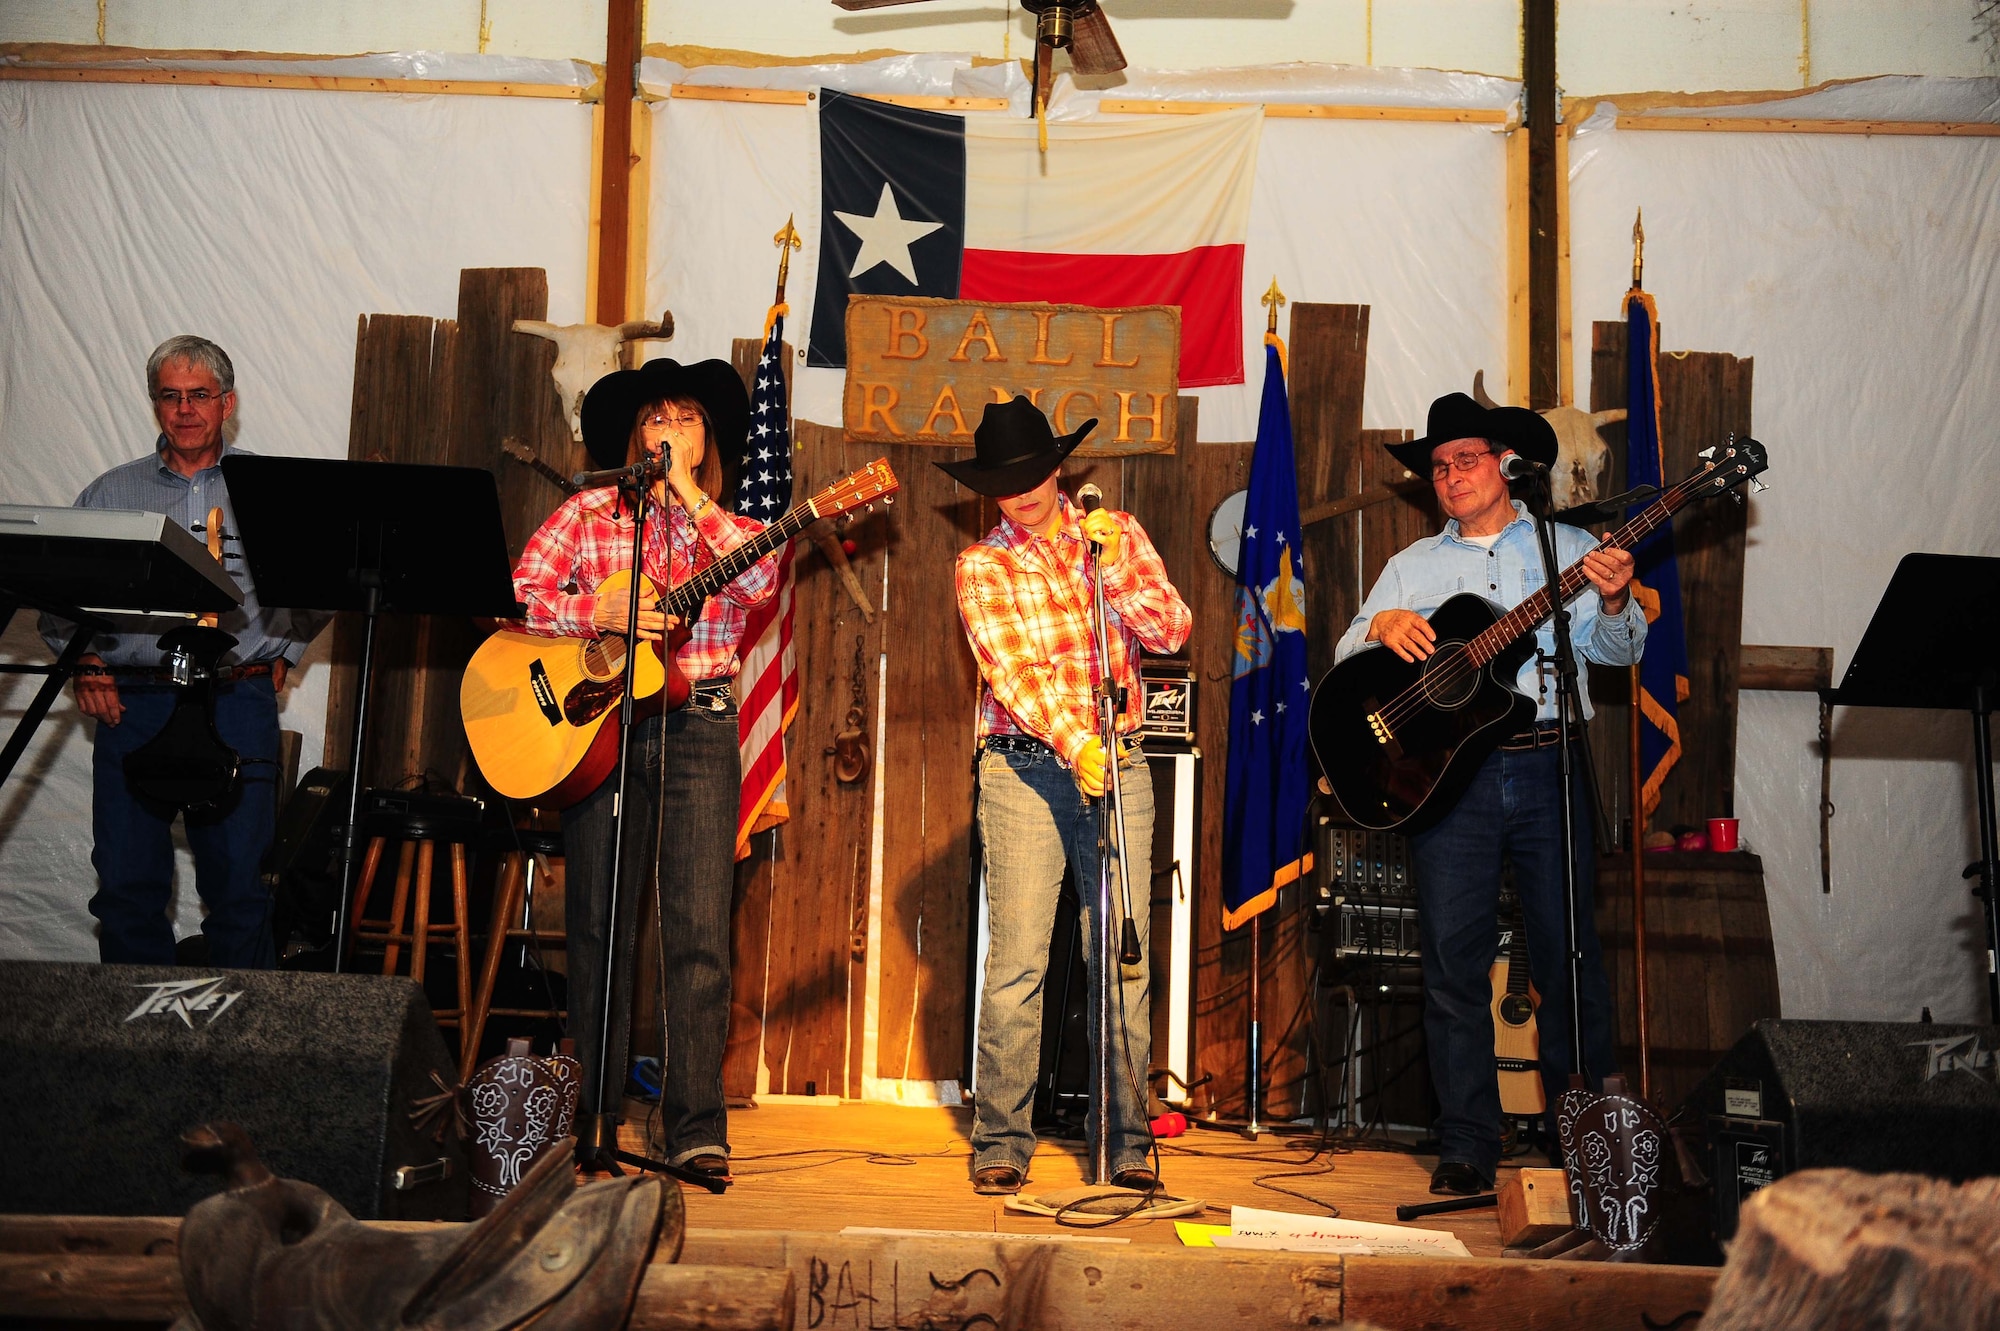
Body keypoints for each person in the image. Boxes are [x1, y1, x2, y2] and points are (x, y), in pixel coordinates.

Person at [1333, 392, 1645, 1196]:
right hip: (1449, 779)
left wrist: (1613, 600)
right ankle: (1469, 1141)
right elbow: (1344, 649)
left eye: (1463, 458)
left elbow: (1615, 652)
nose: (1448, 475)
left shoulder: (1566, 545)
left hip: (1550, 762)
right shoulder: (1413, 566)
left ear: (1507, 464)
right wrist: (1382, 625)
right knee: (1452, 964)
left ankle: (1584, 1138)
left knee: (1570, 953)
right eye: (1438, 466)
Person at [511, 357, 775, 1180]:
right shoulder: (589, 512)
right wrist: (595, 609)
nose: (670, 432)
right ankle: (594, 1113)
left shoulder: (723, 525)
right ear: (635, 434)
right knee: (598, 923)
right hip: (603, 728)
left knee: (699, 930)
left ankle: (694, 1125)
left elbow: (763, 576)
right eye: (657, 419)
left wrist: (692, 498)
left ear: (707, 439)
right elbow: (519, 591)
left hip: (702, 723)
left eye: (687, 419)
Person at [941, 396, 1192, 1196]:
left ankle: (1123, 1138)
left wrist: (1114, 562)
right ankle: (1001, 1138)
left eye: (1029, 472)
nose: (1018, 489)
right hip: (1024, 765)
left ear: (1058, 467)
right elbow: (1013, 672)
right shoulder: (981, 564)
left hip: (1117, 760)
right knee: (1017, 959)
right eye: (1001, 479)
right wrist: (1070, 739)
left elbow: (1172, 631)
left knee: (1121, 955)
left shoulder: (1110, 535)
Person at [39, 335, 327, 969]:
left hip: (235, 700)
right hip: (134, 704)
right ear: (155, 406)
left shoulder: (271, 489)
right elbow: (58, 602)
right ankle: (136, 1051)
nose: (185, 409)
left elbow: (325, 579)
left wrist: (286, 649)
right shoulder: (109, 494)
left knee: (238, 891)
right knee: (125, 888)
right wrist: (86, 663)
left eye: (199, 395)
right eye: (170, 396)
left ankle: (242, 1053)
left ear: (228, 403)